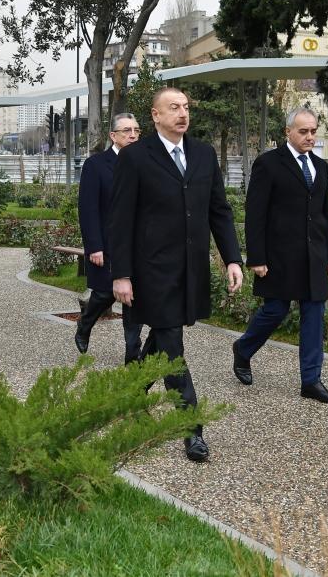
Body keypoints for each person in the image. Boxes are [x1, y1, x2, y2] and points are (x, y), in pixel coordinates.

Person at [110, 87, 243, 463]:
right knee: (173, 347)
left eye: (185, 107)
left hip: (190, 268)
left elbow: (219, 210)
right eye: (174, 108)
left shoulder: (203, 154)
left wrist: (232, 258)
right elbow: (119, 221)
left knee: (164, 336)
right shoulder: (136, 158)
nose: (182, 113)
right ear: (155, 115)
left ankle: (131, 395)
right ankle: (192, 428)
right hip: (151, 270)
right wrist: (121, 275)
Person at [231, 107, 328, 404]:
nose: (310, 137)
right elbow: (255, 214)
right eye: (303, 131)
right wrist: (256, 257)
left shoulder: (320, 165)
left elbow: (323, 215)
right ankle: (243, 349)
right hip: (278, 256)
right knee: (275, 311)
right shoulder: (269, 164)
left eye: (313, 131)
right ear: (287, 132)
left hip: (314, 255)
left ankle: (311, 381)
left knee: (314, 315)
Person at [74, 113, 143, 362]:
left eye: (136, 130)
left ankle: (132, 355)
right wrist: (94, 246)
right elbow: (88, 209)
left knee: (133, 298)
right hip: (107, 244)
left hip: (138, 247)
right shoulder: (96, 165)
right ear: (113, 136)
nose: (133, 135)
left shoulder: (147, 163)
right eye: (126, 131)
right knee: (104, 294)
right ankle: (85, 324)